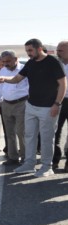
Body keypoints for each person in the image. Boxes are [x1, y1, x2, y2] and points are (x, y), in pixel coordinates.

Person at [0, 38, 66, 177]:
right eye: (27, 50)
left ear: (39, 48)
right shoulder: (31, 63)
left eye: (30, 50)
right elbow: (17, 78)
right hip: (31, 106)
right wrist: (4, 79)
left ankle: (47, 167)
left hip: (48, 108)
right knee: (29, 136)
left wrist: (57, 104)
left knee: (47, 138)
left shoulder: (53, 62)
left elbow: (63, 85)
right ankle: (29, 164)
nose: (28, 53)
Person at [0, 51, 29, 165]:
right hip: (6, 104)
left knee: (21, 132)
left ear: (16, 59)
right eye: (3, 61)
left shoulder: (24, 69)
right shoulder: (3, 70)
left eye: (8, 61)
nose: (5, 64)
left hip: (21, 104)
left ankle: (25, 158)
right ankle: (13, 157)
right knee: (9, 133)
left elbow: (31, 86)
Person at [52, 41, 68, 172]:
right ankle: (55, 159)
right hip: (58, 101)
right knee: (55, 131)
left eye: (61, 50)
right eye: (57, 50)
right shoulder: (54, 64)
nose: (58, 52)